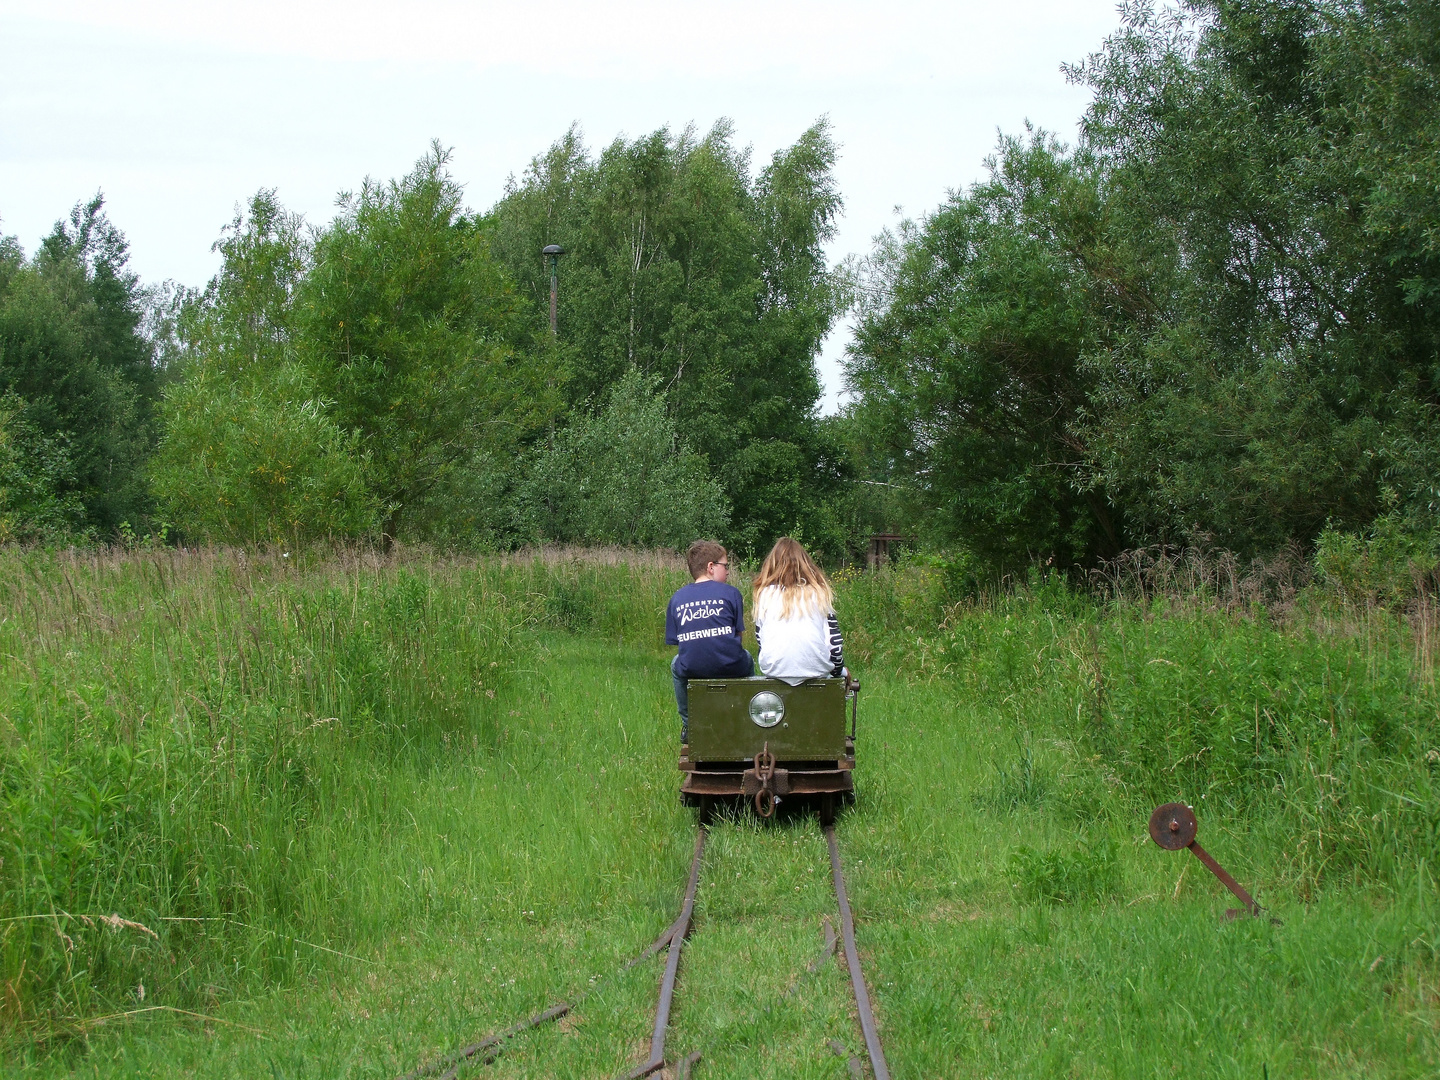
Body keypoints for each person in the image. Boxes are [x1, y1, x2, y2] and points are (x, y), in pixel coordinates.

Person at [666, 539, 754, 742]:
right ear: (711, 567)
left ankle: (690, 725)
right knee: (748, 658)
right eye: (725, 566)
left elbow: (680, 644)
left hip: (693, 668)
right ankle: (750, 718)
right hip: (732, 666)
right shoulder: (731, 593)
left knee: (675, 665)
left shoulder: (677, 598)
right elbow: (738, 638)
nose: (728, 571)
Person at [752, 537, 846, 684]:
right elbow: (834, 644)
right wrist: (840, 671)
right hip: (816, 670)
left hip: (774, 670)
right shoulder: (819, 593)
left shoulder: (764, 594)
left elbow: (761, 640)